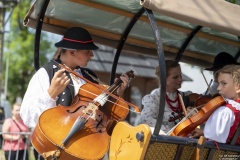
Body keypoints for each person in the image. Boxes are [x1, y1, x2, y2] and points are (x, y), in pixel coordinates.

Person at [20, 27, 129, 159]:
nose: (92, 55)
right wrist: (51, 94)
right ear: (72, 52)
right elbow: (28, 116)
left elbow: (101, 112)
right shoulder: (45, 74)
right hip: (57, 147)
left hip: (87, 147)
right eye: (87, 51)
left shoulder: (89, 76)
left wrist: (116, 94)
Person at [189, 65, 240, 144]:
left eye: (224, 83)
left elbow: (213, 144)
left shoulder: (224, 111)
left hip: (220, 156)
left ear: (238, 87)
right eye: (219, 83)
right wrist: (203, 133)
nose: (218, 88)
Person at [139, 60, 192, 134]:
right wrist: (172, 131)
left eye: (180, 75)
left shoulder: (187, 96)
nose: (180, 79)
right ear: (163, 79)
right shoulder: (153, 99)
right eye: (175, 77)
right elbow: (146, 120)